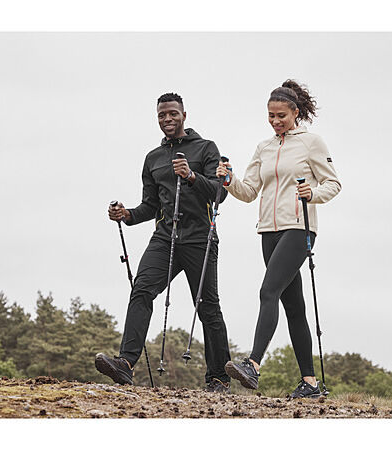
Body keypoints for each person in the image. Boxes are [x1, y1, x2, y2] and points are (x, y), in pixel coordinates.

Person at [96, 93, 232, 393]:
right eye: (162, 115)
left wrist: (191, 175)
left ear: (184, 115)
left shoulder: (206, 148)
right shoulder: (153, 159)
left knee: (208, 307)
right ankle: (125, 363)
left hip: (200, 238)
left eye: (172, 113)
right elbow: (150, 205)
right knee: (142, 290)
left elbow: (219, 193)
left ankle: (218, 378)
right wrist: (127, 215)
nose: (167, 119)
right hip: (165, 237)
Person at [217, 80, 341, 398]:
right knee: (294, 307)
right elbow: (249, 191)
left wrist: (312, 193)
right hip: (268, 232)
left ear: (295, 112)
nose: (275, 121)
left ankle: (253, 365)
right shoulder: (264, 147)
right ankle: (310, 383)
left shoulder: (311, 143)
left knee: (268, 290)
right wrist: (229, 180)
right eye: (271, 116)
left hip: (299, 228)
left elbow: (333, 183)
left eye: (281, 116)